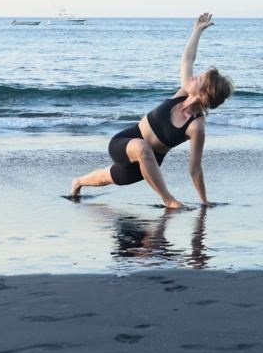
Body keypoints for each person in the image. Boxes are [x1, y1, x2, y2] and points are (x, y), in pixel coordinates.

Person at [69, 13, 234, 209]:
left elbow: (195, 168)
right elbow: (187, 59)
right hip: (125, 142)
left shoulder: (196, 127)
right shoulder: (182, 93)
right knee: (142, 147)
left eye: (199, 79)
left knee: (107, 176)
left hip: (147, 167)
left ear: (204, 94)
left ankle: (77, 182)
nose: (193, 77)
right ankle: (169, 200)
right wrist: (197, 31)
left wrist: (204, 201)